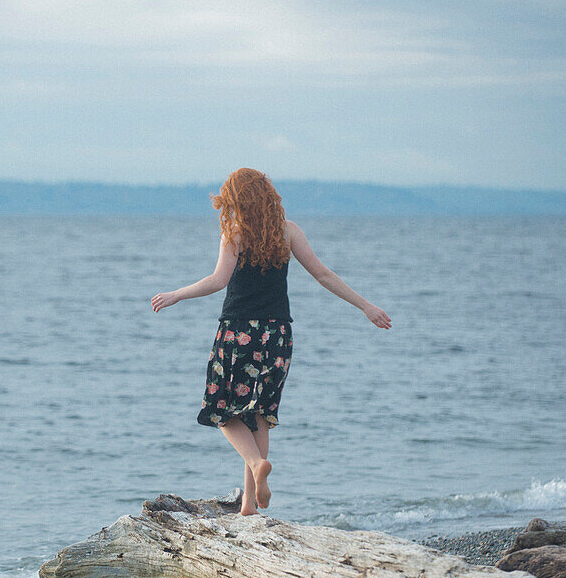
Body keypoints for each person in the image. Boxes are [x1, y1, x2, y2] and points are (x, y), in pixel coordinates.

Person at [151, 168, 391, 516]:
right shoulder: (288, 231)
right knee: (260, 416)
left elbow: (219, 281)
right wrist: (366, 306)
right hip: (277, 335)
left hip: (238, 333)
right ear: (266, 195)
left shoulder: (234, 234)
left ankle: (255, 463)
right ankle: (249, 505)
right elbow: (323, 274)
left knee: (222, 411)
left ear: (235, 200)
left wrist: (177, 294)